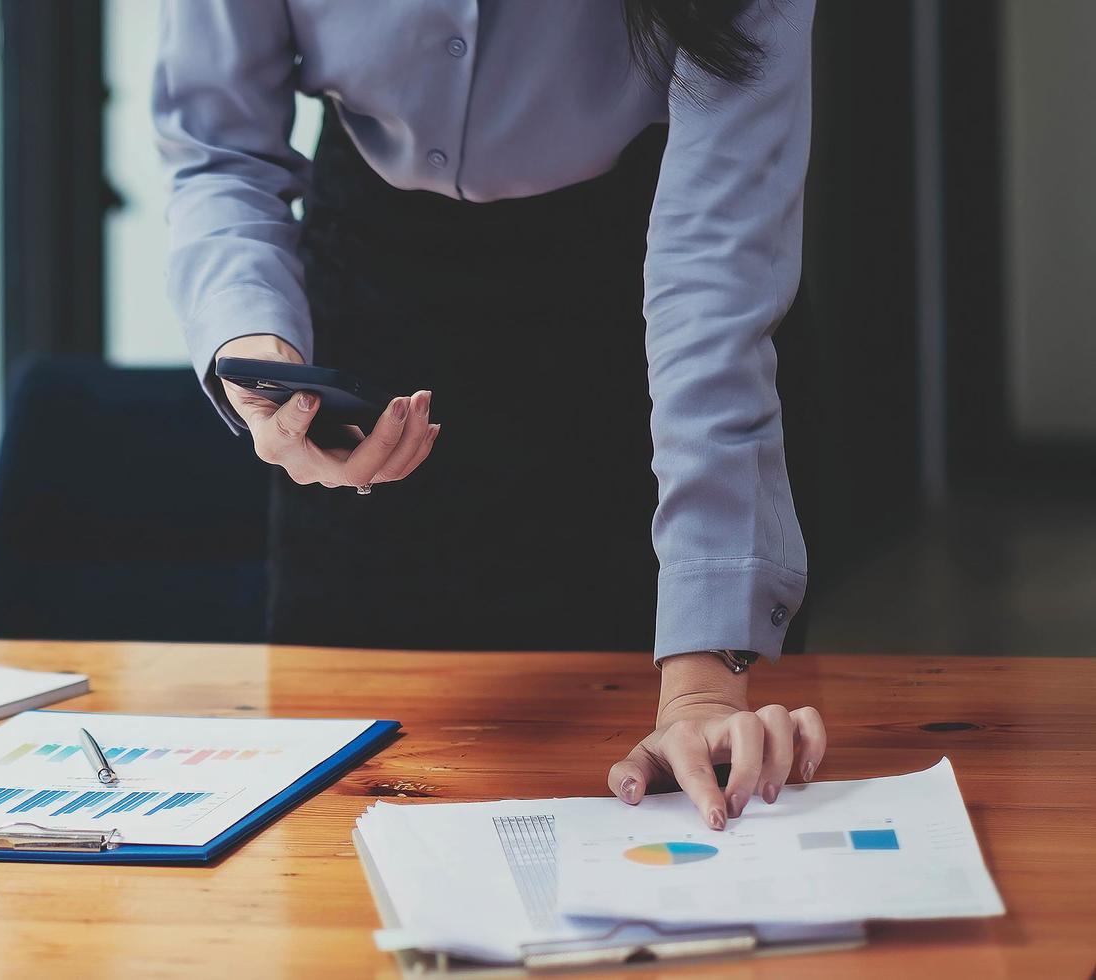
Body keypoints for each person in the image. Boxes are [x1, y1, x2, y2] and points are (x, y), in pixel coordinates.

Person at [157, 0, 823, 829]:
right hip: (364, 294)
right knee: (339, 830)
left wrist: (700, 686)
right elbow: (219, 150)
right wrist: (256, 348)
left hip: (638, 323)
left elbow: (714, 275)